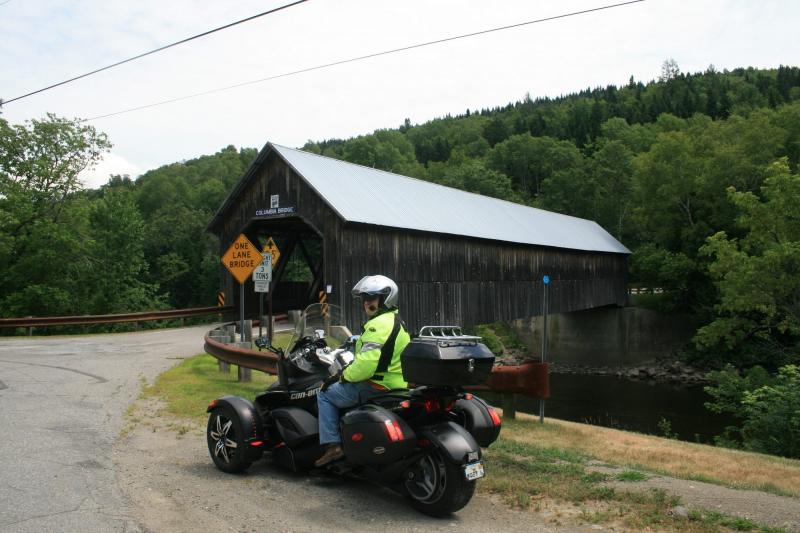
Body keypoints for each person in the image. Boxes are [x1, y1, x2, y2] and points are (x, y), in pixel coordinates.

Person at [314, 274, 410, 467]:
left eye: (371, 299)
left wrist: (343, 376)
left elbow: (366, 366)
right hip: (398, 383)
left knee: (324, 394)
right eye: (364, 299)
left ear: (385, 300)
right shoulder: (396, 321)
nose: (366, 303)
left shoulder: (377, 325)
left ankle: (333, 446)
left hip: (376, 385)